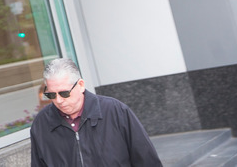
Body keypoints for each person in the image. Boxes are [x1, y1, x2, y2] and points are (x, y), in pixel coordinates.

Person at [30, 58, 162, 166]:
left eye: (64, 93)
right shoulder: (41, 124)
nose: (58, 100)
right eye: (51, 95)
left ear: (81, 85)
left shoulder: (116, 111)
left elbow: (147, 160)